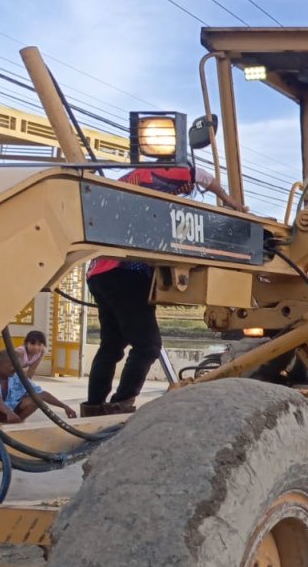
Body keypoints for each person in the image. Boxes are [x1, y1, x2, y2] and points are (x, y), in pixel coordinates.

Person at [83, 165, 240, 416]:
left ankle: (93, 407)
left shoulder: (129, 183)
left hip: (99, 271)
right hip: (126, 270)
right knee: (148, 345)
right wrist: (233, 205)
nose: (185, 192)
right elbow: (202, 177)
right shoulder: (161, 173)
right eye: (186, 190)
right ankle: (120, 404)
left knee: (111, 346)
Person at [0, 352, 76, 423]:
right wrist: (9, 412)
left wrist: (64, 407)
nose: (15, 369)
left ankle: (15, 421)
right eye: (12, 366)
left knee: (36, 400)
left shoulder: (17, 376)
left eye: (17, 366)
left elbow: (41, 394)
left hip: (8, 413)